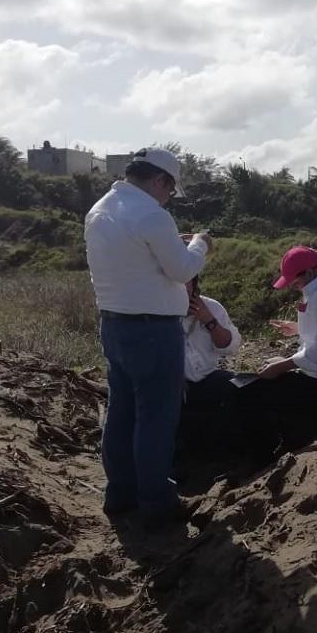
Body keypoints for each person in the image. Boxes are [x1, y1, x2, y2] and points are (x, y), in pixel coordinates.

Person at [84, 147, 212, 524]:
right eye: (170, 190)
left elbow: (139, 262)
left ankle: (120, 494)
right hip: (154, 330)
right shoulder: (152, 215)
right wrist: (201, 242)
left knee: (122, 412)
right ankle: (157, 503)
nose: (168, 197)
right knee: (156, 417)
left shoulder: (100, 210)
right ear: (160, 181)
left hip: (115, 324)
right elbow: (182, 269)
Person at [238, 246, 317, 462]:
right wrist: (298, 328)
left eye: (294, 281)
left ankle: (260, 459)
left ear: (309, 272)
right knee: (264, 383)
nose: (293, 286)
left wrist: (281, 366)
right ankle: (281, 442)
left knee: (253, 393)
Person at [178, 276, 242, 450]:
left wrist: (209, 320)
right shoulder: (154, 314)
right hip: (172, 390)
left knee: (243, 389)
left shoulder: (211, 307)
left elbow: (230, 346)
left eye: (184, 280)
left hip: (207, 378)